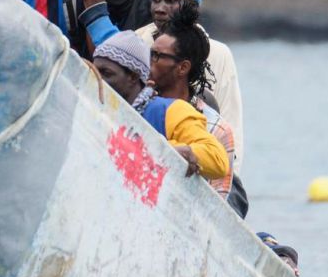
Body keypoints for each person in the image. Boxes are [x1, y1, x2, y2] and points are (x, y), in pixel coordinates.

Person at [135, 0, 245, 173]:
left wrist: (232, 176)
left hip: (202, 159)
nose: (160, 8)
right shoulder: (137, 40)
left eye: (170, 1)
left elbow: (231, 124)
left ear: (192, 6)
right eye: (156, 0)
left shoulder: (218, 54)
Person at [90, 30, 229, 180]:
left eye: (106, 73)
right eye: (94, 71)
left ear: (133, 76)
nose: (98, 79)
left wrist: (171, 150)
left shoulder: (170, 111)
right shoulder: (94, 109)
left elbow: (218, 160)